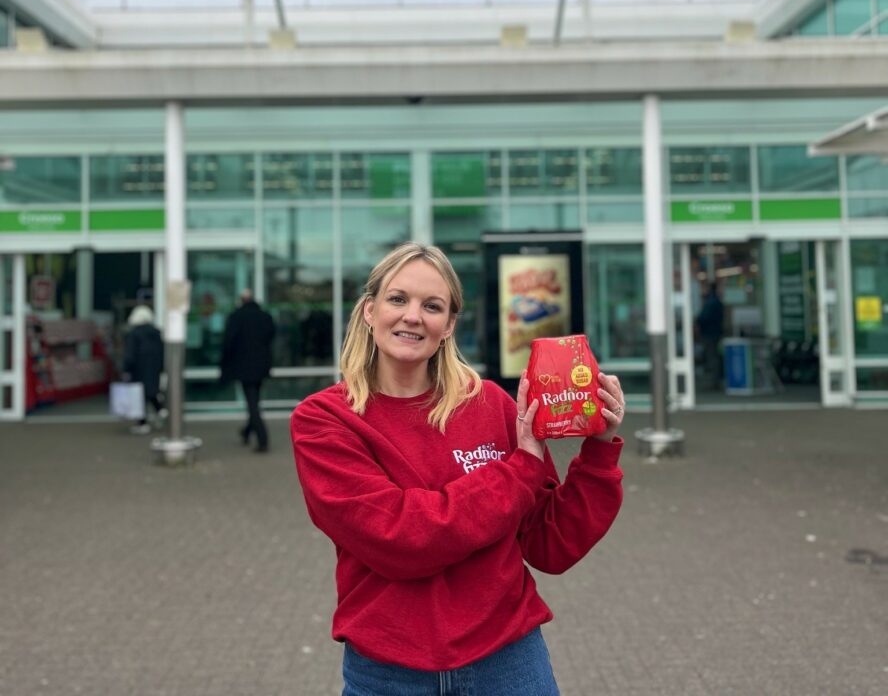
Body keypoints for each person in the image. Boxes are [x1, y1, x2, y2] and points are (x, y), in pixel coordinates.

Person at [290, 243, 624, 695]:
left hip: (509, 663)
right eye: (397, 299)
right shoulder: (324, 420)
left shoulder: (491, 405)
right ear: (369, 311)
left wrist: (600, 447)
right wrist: (520, 469)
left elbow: (551, 545)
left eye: (432, 306)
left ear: (448, 325)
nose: (413, 316)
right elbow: (402, 537)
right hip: (389, 673)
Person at [221, 289, 276, 453]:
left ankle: (262, 439)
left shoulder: (236, 317)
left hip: (244, 368)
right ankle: (246, 431)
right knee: (254, 400)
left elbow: (228, 343)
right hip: (261, 367)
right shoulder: (265, 317)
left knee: (252, 403)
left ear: (241, 300)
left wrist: (225, 366)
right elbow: (271, 336)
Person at [123, 305, 165, 435]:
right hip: (154, 369)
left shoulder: (134, 334)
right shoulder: (156, 333)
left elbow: (130, 354)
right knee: (151, 392)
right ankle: (161, 411)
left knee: (139, 397)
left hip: (139, 369)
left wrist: (126, 369)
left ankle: (143, 423)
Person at [696, 281, 725, 390]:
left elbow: (704, 318)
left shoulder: (711, 302)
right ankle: (715, 380)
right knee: (713, 356)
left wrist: (697, 320)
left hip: (710, 333)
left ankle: (714, 382)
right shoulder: (716, 301)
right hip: (715, 332)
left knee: (712, 357)